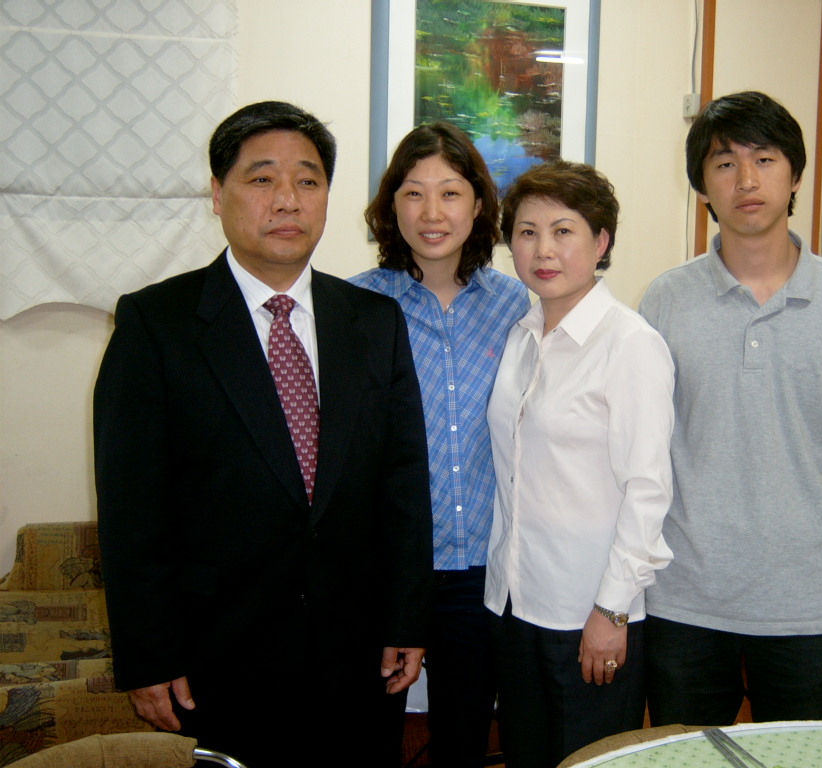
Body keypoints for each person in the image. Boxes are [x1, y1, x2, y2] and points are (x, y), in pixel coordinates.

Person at [94, 101, 433, 767]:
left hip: (359, 657)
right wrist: (149, 654)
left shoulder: (374, 321)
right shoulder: (155, 325)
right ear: (217, 193)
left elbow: (403, 485)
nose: (287, 200)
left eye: (308, 180)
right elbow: (133, 512)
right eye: (261, 179)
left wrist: (406, 617)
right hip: (219, 660)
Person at [639, 91, 822, 725]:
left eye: (765, 159)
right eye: (725, 163)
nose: (746, 180)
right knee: (687, 760)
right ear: (702, 185)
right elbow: (648, 441)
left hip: (806, 599)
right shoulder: (664, 302)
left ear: (795, 175)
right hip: (686, 592)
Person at [485, 160, 675, 768]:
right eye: (527, 232)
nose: (543, 249)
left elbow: (647, 491)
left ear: (601, 242)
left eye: (563, 231)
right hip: (516, 601)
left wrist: (611, 611)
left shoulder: (631, 344)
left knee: (590, 760)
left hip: (590, 610)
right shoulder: (521, 335)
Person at [351, 123, 529, 767]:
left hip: (481, 570)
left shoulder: (518, 306)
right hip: (384, 569)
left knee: (463, 740)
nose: (432, 213)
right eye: (414, 193)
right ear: (391, 205)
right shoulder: (355, 306)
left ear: (478, 204)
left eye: (450, 193)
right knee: (369, 738)